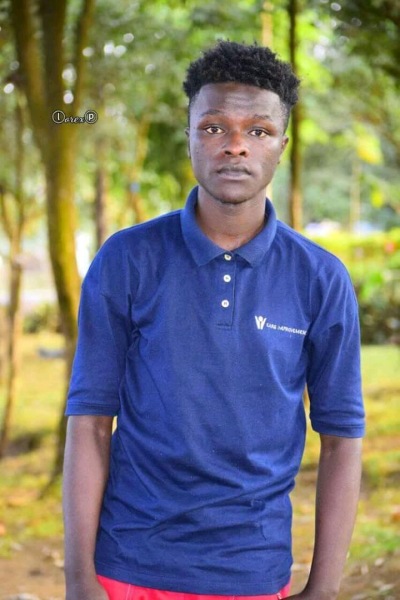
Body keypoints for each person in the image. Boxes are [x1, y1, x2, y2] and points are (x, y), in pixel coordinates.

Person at [63, 41, 365, 600]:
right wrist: (79, 580)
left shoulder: (320, 277)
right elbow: (90, 422)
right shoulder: (127, 259)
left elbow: (342, 440)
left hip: (253, 572)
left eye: (258, 131)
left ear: (282, 145)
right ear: (189, 136)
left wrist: (322, 589)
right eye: (213, 127)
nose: (235, 145)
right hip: (129, 566)